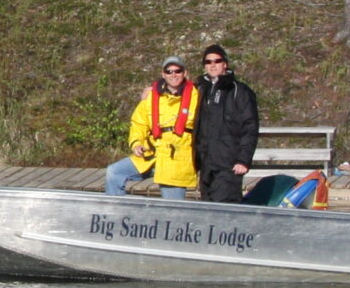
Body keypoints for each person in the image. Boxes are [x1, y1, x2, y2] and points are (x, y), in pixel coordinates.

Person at [104, 55, 200, 198]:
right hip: (152, 153)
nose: (173, 74)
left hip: (176, 159)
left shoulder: (197, 96)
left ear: (185, 73)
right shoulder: (151, 96)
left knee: (172, 208)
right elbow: (139, 123)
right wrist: (137, 143)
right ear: (163, 74)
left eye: (177, 71)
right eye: (169, 71)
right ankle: (115, 213)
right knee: (114, 172)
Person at [192, 43, 260, 204]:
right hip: (206, 163)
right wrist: (153, 89)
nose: (213, 65)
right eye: (208, 62)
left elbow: (250, 127)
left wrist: (243, 159)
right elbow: (174, 88)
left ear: (225, 64)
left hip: (229, 164)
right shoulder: (200, 89)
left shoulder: (239, 91)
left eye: (217, 61)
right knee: (207, 211)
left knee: (224, 209)